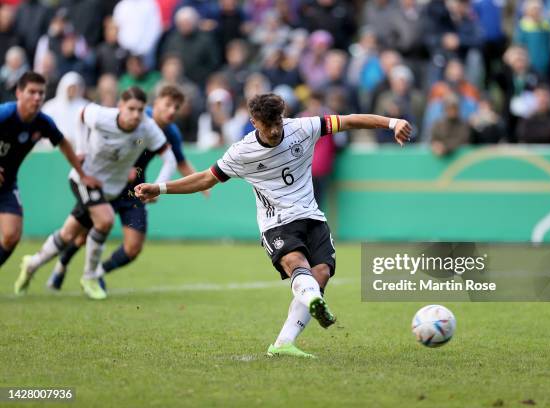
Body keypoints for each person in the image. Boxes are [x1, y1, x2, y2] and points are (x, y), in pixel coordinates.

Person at [134, 93, 412, 358]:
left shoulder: (303, 127)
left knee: (322, 272)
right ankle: (314, 299)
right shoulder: (242, 152)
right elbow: (205, 179)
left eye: (278, 122)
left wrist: (392, 122)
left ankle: (284, 343)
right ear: (254, 122)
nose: (275, 130)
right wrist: (160, 188)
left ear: (283, 117)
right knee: (296, 263)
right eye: (268, 125)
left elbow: (350, 120)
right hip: (277, 223)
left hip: (312, 216)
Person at [14, 86, 177, 300]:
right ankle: (90, 276)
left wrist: (158, 186)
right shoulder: (102, 116)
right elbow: (81, 115)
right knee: (105, 220)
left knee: (68, 234)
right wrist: (81, 149)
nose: (136, 115)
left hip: (110, 189)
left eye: (140, 110)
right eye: (131, 109)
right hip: (85, 179)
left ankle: (32, 264)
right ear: (120, 106)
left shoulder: (148, 128)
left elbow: (170, 159)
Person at [47, 85, 206, 290]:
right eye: (168, 105)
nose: (172, 111)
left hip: (135, 190)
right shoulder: (139, 117)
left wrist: (201, 183)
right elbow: (113, 134)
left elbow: (179, 162)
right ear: (155, 103)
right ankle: (61, 265)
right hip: (108, 184)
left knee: (133, 248)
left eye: (176, 107)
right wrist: (85, 152)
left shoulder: (170, 133)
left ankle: (97, 273)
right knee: (81, 235)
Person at [0, 71, 99, 272]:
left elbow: (63, 143)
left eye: (41, 93)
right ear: (19, 93)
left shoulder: (43, 122)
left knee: (11, 236)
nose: (37, 98)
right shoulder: (5, 114)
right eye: (31, 92)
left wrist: (82, 174)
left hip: (6, 185)